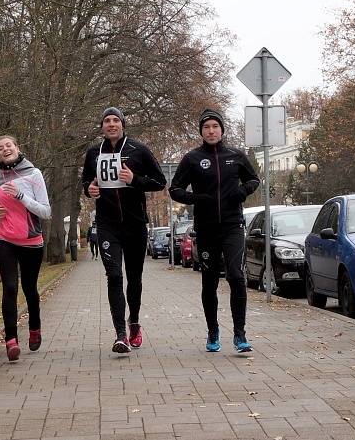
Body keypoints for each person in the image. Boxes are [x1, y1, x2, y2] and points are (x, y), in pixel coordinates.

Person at [169, 109, 260, 353]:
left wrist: (242, 192)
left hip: (232, 226)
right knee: (209, 282)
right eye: (206, 127)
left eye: (215, 126)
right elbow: (175, 189)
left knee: (236, 277)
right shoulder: (192, 158)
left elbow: (254, 180)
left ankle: (240, 334)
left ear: (222, 130)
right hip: (206, 229)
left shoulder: (236, 156)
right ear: (201, 131)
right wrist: (196, 198)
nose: (211, 131)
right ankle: (213, 332)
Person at [82, 107, 166, 353]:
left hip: (135, 224)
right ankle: (120, 335)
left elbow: (160, 181)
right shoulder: (93, 153)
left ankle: (135, 323)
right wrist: (89, 189)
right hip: (107, 226)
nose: (111, 124)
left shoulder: (138, 150)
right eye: (107, 121)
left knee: (134, 278)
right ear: (102, 127)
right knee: (115, 276)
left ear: (123, 124)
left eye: (115, 120)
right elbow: (86, 181)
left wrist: (135, 180)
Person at [0, 135, 51, 361]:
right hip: (4, 239)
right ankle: (11, 341)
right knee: (10, 288)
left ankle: (35, 327)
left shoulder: (34, 174)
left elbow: (45, 211)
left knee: (29, 288)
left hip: (31, 240)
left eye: (8, 146)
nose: (5, 150)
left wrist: (22, 197)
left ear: (17, 148)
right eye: (0, 148)